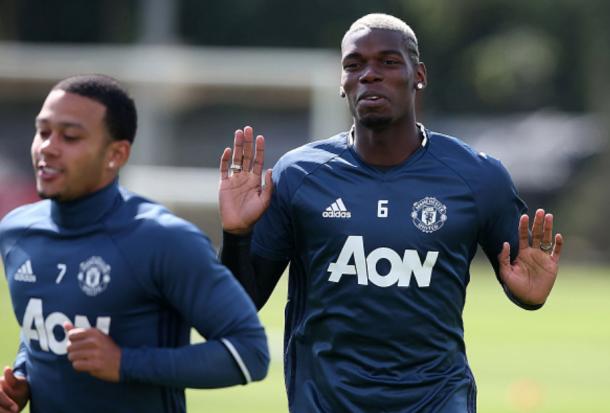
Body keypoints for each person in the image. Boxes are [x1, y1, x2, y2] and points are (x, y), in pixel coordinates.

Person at [217, 13, 563, 413]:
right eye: (354, 65)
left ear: (419, 75)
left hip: (436, 401)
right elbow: (237, 307)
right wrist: (237, 233)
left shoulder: (478, 178)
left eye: (387, 62)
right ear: (341, 83)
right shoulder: (298, 176)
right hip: (325, 403)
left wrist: (529, 297)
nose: (369, 74)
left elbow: (525, 280)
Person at [0, 74, 270, 413]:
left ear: (116, 154)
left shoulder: (166, 240)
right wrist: (23, 378)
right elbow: (42, 331)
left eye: (69, 136)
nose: (48, 147)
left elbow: (251, 353)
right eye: (43, 132)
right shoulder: (16, 231)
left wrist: (125, 363)